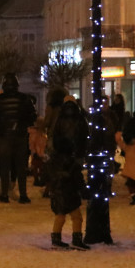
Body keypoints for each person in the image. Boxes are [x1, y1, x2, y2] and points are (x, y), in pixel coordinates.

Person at [45, 98, 90, 250]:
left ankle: (56, 238)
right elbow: (77, 177)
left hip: (58, 192)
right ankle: (77, 239)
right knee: (76, 216)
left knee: (60, 215)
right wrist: (84, 189)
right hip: (70, 193)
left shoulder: (55, 161)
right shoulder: (80, 119)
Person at [0, 73, 37, 203]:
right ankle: (23, 195)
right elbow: (32, 116)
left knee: (5, 166)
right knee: (21, 167)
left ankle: (4, 194)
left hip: (4, 136)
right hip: (20, 136)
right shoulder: (24, 99)